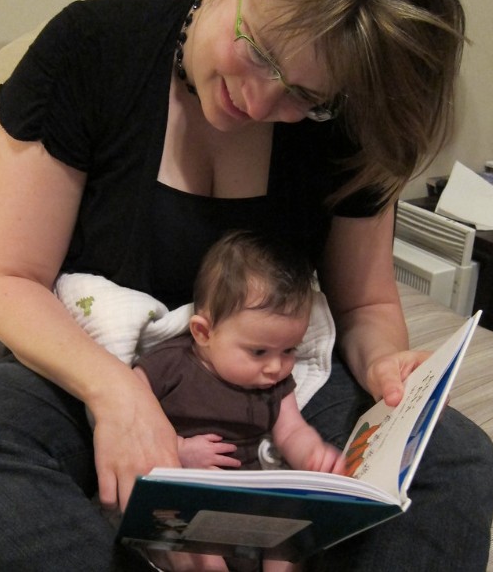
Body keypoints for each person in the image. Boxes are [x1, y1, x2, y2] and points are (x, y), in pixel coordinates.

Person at [0, 0, 493, 571]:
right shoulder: (92, 47)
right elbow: (12, 281)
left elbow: (363, 306)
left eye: (307, 97)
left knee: (454, 460)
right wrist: (120, 397)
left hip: (270, 382)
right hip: (96, 366)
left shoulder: (353, 110)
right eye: (261, 54)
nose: (260, 104)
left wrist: (384, 365)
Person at [133, 230, 345, 572]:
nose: (275, 366)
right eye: (258, 351)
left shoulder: (275, 383)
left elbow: (291, 430)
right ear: (204, 332)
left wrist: (313, 454)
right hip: (183, 492)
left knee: (290, 543)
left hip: (248, 504)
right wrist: (179, 449)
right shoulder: (169, 365)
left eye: (289, 350)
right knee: (196, 553)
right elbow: (131, 417)